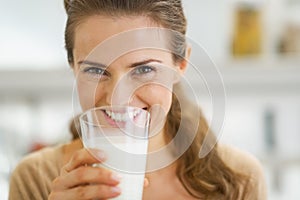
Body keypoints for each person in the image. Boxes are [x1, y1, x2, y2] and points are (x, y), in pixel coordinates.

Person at [9, 0, 267, 199]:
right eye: (96, 71)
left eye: (144, 69)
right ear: (73, 67)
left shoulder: (240, 179)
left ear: (181, 64)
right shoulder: (36, 179)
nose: (118, 99)